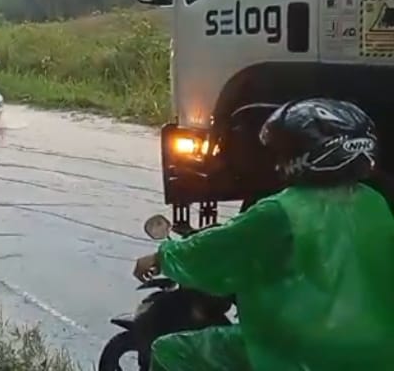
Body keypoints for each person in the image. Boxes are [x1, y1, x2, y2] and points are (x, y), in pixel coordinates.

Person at [133, 98, 394, 371]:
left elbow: (217, 249)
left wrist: (162, 256)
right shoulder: (374, 202)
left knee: (170, 351)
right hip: (380, 347)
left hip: (303, 349)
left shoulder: (281, 209)